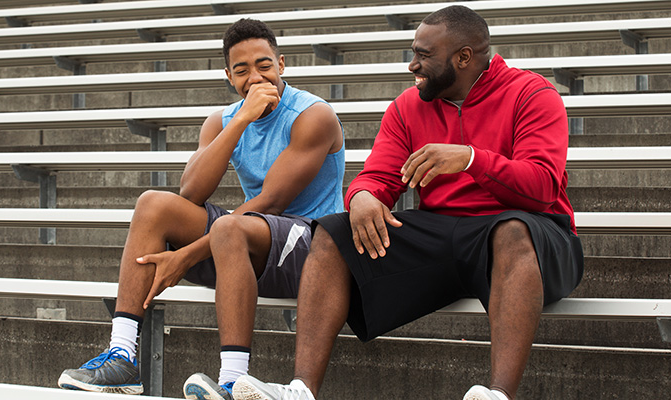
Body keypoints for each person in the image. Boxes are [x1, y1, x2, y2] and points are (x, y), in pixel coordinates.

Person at [230, 6, 583, 400]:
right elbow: (377, 177)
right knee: (333, 231)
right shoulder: (408, 106)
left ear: (463, 57)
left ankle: (498, 394)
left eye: (424, 54)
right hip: (443, 233)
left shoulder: (532, 93)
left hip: (535, 235)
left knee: (513, 230)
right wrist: (362, 198)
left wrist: (469, 159)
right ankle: (300, 390)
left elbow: (542, 186)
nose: (413, 64)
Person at [56, 18, 346, 399]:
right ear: (229, 76)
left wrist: (188, 255)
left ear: (282, 65)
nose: (255, 78)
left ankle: (231, 380)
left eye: (264, 65)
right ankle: (122, 357)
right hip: (248, 243)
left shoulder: (312, 115)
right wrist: (241, 119)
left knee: (230, 227)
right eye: (242, 71)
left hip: (313, 252)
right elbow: (190, 191)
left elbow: (274, 202)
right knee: (153, 205)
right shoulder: (223, 121)